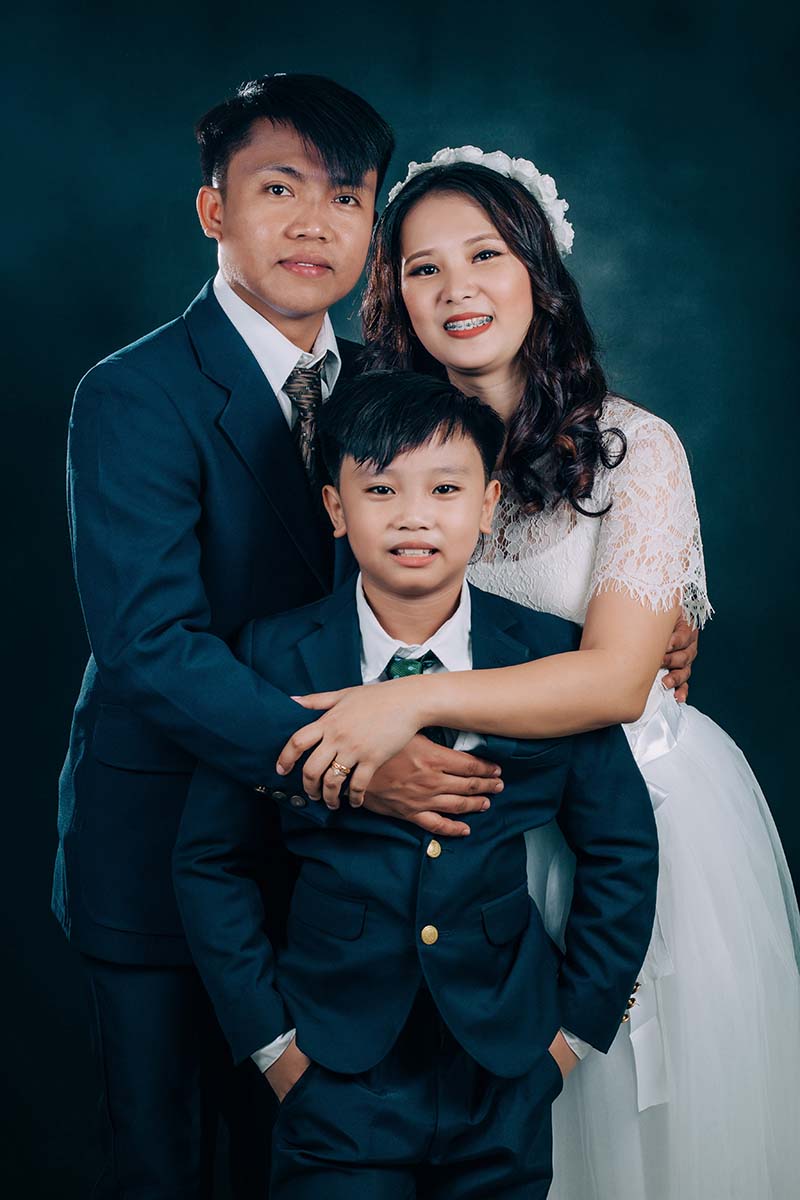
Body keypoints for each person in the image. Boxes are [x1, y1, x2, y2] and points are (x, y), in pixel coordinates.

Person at [274, 148, 800, 1198]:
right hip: (470, 836)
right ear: (395, 297)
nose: (457, 289)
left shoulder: (635, 448)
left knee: (632, 1139)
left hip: (630, 825)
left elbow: (613, 682)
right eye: (423, 269)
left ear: (539, 272)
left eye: (486, 255)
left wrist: (408, 700)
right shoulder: (391, 453)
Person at [52, 77, 502, 1199]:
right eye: (279, 189)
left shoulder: (387, 387)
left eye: (345, 198)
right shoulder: (133, 393)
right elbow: (151, 644)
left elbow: (457, 554)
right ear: (215, 209)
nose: (314, 224)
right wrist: (359, 768)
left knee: (311, 1166)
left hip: (337, 886)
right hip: (162, 851)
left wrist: (644, 620)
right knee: (165, 1162)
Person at [172, 370, 659, 1199]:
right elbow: (210, 861)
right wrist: (273, 1047)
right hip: (332, 1069)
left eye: (444, 488)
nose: (413, 516)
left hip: (505, 1068)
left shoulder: (550, 657)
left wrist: (572, 1038)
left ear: (488, 504)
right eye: (380, 489)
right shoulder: (271, 655)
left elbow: (621, 849)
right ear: (336, 509)